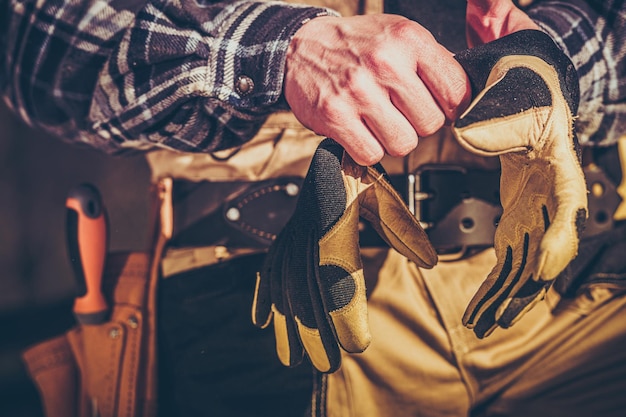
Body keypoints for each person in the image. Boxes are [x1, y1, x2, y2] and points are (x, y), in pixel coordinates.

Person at [1, 1, 625, 416]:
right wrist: (283, 52)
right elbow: (39, 47)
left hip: (567, 269)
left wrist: (544, 63)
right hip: (286, 294)